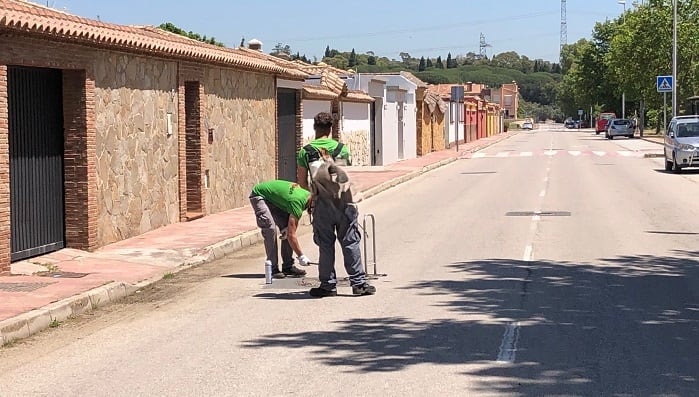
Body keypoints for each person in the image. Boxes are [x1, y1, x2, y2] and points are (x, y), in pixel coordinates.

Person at [297, 112, 376, 297]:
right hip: (344, 202)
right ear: (331, 128)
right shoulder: (343, 149)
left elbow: (301, 181)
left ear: (315, 128)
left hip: (322, 204)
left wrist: (311, 199)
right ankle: (358, 284)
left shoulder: (305, 152)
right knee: (350, 241)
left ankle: (327, 285)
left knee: (325, 244)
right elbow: (345, 175)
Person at [249, 180, 312, 279]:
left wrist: (288, 229)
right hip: (259, 195)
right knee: (270, 228)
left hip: (272, 199)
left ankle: (288, 266)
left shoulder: (307, 195)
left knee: (287, 227)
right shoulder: (297, 202)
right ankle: (273, 268)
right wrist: (301, 256)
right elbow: (292, 235)